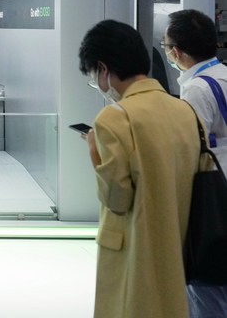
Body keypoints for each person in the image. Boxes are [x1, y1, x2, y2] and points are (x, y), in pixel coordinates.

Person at [78, 20, 199, 318]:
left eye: (93, 75)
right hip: (177, 244)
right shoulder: (184, 111)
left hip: (133, 249)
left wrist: (94, 150)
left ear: (103, 69)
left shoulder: (114, 118)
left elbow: (117, 199)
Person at [165, 9, 227, 318]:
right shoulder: (223, 75)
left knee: (206, 287)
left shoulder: (197, 88)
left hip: (213, 192)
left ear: (176, 51)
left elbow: (189, 147)